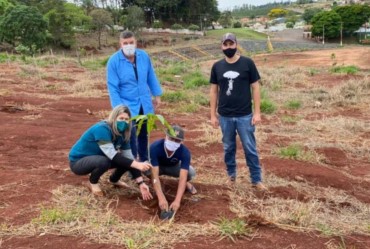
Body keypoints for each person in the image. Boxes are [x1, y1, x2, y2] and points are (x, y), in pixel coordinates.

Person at [209, 33, 267, 191]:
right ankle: (231, 176)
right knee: (228, 147)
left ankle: (256, 179)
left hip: (245, 115)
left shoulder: (247, 63)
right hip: (225, 116)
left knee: (250, 147)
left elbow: (255, 87)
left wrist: (257, 113)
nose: (228, 47)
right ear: (221, 46)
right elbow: (214, 91)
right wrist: (213, 115)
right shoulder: (217, 66)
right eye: (225, 45)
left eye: (231, 44)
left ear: (236, 44)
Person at [69, 105, 153, 199]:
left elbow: (129, 158)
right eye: (121, 118)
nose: (124, 122)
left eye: (126, 119)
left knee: (126, 160)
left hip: (99, 157)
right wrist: (137, 164)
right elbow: (112, 155)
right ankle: (93, 182)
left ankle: (114, 180)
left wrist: (141, 183)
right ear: (113, 118)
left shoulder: (124, 134)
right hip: (78, 162)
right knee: (104, 161)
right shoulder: (102, 129)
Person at [106, 30, 163, 163]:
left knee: (144, 133)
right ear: (120, 44)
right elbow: (113, 87)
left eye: (131, 42)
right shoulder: (114, 61)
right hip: (127, 105)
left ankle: (144, 160)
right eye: (125, 43)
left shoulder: (143, 56)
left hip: (144, 102)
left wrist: (157, 94)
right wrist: (118, 108)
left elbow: (151, 76)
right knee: (129, 135)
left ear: (136, 42)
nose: (129, 45)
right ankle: (132, 165)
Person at [148, 125, 197, 213]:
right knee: (146, 169)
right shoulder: (155, 147)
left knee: (191, 172)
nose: (173, 142)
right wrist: (161, 197)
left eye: (177, 140)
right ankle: (156, 185)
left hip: (173, 167)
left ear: (181, 142)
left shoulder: (184, 152)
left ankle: (187, 184)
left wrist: (177, 201)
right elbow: (155, 175)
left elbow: (183, 176)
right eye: (171, 138)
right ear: (165, 136)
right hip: (158, 166)